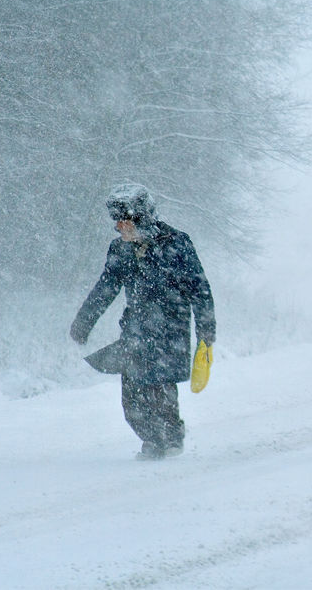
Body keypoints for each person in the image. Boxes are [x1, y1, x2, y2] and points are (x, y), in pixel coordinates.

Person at [70, 183, 216, 460]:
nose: (119, 228)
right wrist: (84, 321)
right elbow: (106, 288)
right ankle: (151, 440)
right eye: (117, 223)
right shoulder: (120, 250)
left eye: (125, 222)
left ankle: (171, 439)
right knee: (132, 398)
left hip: (170, 330)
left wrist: (206, 331)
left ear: (142, 218)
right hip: (135, 331)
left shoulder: (177, 243)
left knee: (160, 390)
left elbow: (200, 289)